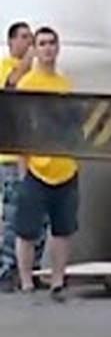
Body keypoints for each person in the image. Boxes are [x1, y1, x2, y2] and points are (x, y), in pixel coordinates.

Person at [14, 27, 78, 302]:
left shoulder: (65, 85)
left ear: (58, 48)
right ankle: (26, 281)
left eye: (52, 43)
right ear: (35, 50)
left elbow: (73, 126)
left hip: (65, 168)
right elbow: (19, 129)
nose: (48, 48)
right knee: (27, 230)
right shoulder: (27, 84)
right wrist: (23, 168)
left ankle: (57, 281)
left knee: (63, 229)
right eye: (42, 44)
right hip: (36, 168)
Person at [0, 22, 45, 291]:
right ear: (11, 42)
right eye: (24, 38)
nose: (29, 43)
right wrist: (28, 60)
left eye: (32, 38)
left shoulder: (40, 75)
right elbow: (11, 87)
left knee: (39, 217)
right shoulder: (6, 66)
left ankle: (31, 269)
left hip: (38, 158)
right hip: (9, 157)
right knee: (14, 216)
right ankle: (7, 270)